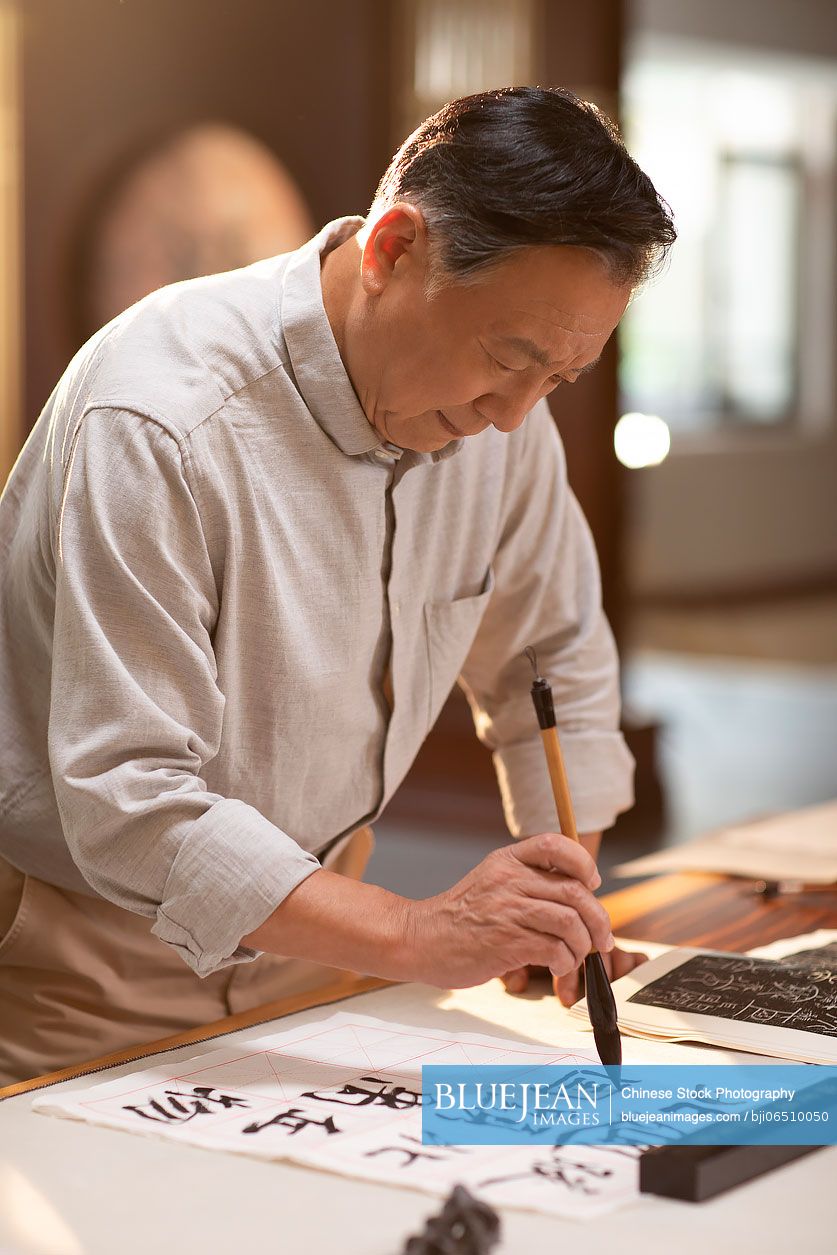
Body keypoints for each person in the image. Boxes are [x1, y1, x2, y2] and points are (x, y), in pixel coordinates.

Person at [0, 86, 675, 1085]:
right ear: (395, 249)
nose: (514, 416)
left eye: (558, 380)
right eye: (507, 360)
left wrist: (556, 877)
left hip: (314, 944)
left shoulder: (504, 422)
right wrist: (417, 930)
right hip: (85, 966)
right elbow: (131, 803)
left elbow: (549, 649)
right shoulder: (156, 418)